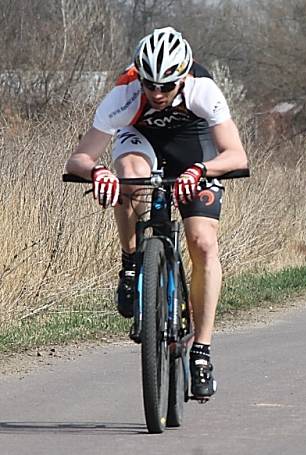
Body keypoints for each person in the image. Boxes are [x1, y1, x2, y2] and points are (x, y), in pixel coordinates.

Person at [64, 27, 248, 399]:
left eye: (166, 86)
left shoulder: (203, 90)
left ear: (183, 77)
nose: (158, 94)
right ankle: (132, 263)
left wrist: (202, 170)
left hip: (191, 149)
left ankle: (201, 352)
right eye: (151, 85)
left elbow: (236, 155)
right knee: (128, 178)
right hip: (139, 140)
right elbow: (79, 157)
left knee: (202, 243)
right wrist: (98, 172)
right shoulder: (124, 95)